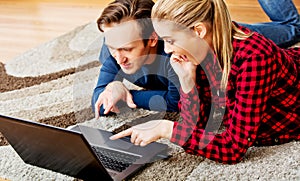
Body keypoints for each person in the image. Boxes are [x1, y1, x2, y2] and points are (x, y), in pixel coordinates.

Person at [110, 0, 300, 164]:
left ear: (198, 31)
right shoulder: (196, 54)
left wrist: (166, 128)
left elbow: (233, 149)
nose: (166, 50)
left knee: (293, 27)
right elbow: (196, 126)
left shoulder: (256, 58)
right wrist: (187, 82)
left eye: (170, 40)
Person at [92, 0, 181, 118]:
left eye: (127, 49)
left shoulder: (174, 54)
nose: (119, 60)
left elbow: (177, 102)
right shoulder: (113, 48)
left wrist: (126, 95)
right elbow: (99, 104)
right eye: (111, 47)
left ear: (152, 39)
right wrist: (115, 86)